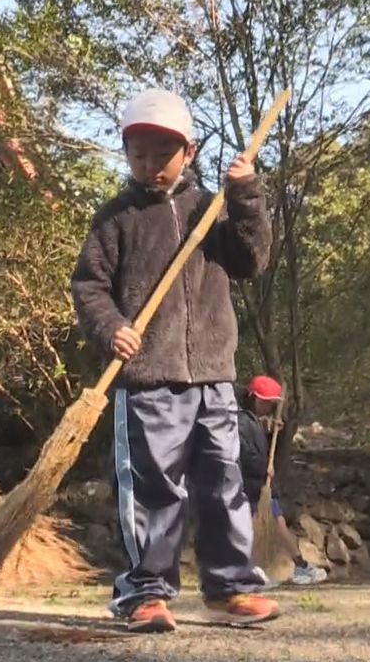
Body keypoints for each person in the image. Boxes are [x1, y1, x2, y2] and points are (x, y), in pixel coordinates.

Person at [72, 89, 278, 633]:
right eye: (137, 154)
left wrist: (247, 196)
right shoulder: (115, 218)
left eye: (161, 154)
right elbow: (89, 287)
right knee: (152, 488)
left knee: (223, 484)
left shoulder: (209, 209)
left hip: (213, 376)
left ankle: (232, 587)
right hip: (148, 380)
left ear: (187, 152)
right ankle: (145, 592)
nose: (148, 165)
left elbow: (251, 260)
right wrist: (112, 326)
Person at [238, 375, 329, 586]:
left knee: (276, 524)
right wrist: (263, 469)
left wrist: (273, 433)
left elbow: (262, 448)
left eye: (271, 404)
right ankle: (251, 570)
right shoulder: (240, 422)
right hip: (251, 486)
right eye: (265, 402)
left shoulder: (252, 421)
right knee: (254, 528)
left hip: (261, 487)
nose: (268, 407)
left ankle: (298, 566)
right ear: (253, 399)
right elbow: (245, 454)